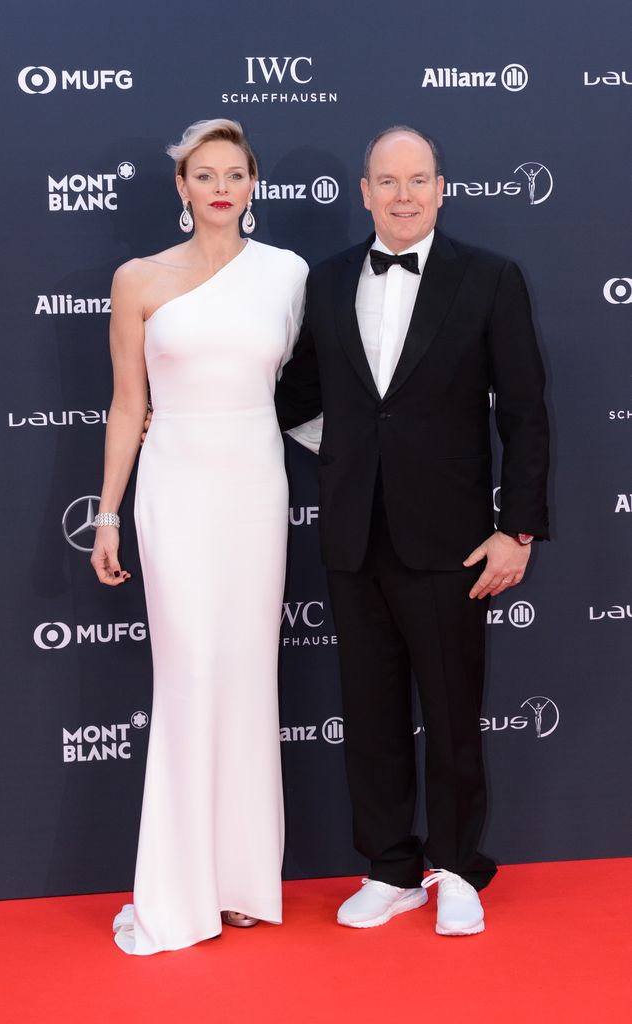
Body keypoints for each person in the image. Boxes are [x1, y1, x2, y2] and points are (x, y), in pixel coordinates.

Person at [275, 126, 550, 936]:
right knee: (371, 713)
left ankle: (459, 868)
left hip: (455, 539)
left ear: (441, 188)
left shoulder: (491, 279)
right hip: (356, 536)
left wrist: (518, 531)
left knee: (455, 711)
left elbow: (527, 416)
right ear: (364, 193)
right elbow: (295, 397)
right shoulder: (324, 284)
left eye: (418, 180)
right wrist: (359, 452)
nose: (402, 195)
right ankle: (388, 867)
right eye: (386, 182)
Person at [90, 118, 308, 954]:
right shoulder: (138, 278)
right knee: (190, 672)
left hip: (255, 484)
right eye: (203, 173)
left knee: (250, 673)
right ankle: (179, 889)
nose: (221, 186)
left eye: (236, 173)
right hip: (175, 488)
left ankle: (244, 881)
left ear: (252, 185)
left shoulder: (285, 275)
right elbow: (126, 407)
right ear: (181, 188)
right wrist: (107, 511)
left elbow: (319, 385)